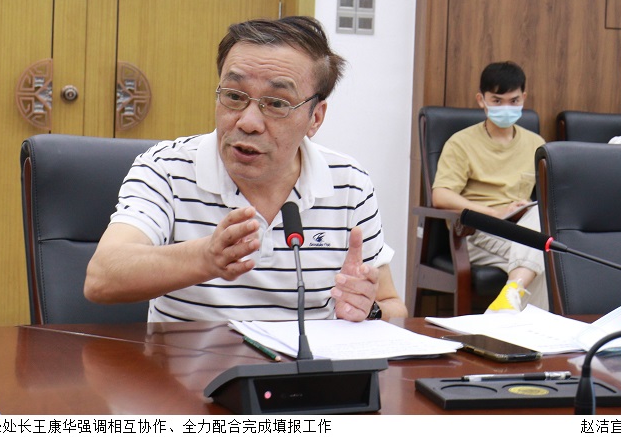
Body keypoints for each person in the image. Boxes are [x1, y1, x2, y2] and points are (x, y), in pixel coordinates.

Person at [85, 16, 407, 323]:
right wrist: (205, 258)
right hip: (190, 363)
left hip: (304, 362)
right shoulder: (166, 169)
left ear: (316, 118)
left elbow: (394, 305)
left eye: (277, 104)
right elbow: (101, 277)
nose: (248, 122)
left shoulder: (349, 183)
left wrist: (368, 310)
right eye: (234, 96)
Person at [431, 61, 549, 312]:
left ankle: (509, 299)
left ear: (524, 98)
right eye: (497, 101)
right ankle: (518, 320)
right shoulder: (461, 143)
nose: (506, 107)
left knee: (543, 224)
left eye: (514, 101)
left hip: (519, 228)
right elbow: (440, 195)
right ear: (481, 100)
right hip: (477, 232)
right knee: (546, 257)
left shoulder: (536, 143)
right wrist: (493, 213)